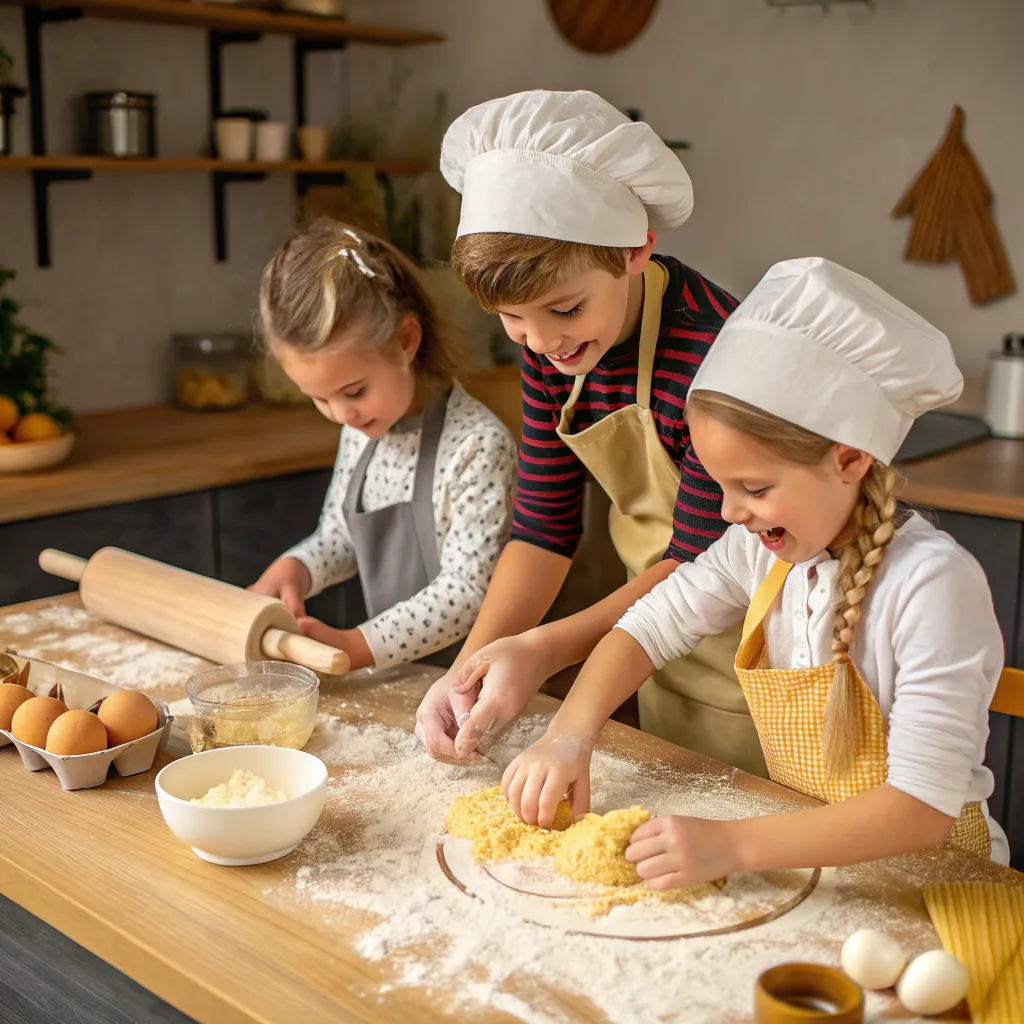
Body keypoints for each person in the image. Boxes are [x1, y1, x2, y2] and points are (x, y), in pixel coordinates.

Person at [498, 256, 1009, 880]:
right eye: (718, 485)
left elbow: (921, 809)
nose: (729, 511)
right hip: (817, 867)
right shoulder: (758, 550)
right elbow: (649, 624)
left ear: (848, 460)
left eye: (755, 487)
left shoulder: (930, 586)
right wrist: (569, 734)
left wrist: (734, 847)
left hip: (938, 887)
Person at [415, 89, 766, 773]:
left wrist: (543, 650)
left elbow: (696, 561)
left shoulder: (713, 354)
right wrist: (468, 672)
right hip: (646, 649)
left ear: (635, 251)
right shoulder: (553, 344)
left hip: (756, 659)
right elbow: (543, 529)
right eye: (512, 321)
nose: (542, 343)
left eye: (564, 309)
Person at [250, 219, 517, 670]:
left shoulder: (477, 446)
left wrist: (359, 645)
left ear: (406, 342)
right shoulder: (361, 428)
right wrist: (298, 567)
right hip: (403, 677)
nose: (341, 416)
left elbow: (469, 591)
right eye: (319, 398)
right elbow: (340, 537)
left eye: (353, 392)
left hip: (479, 679)